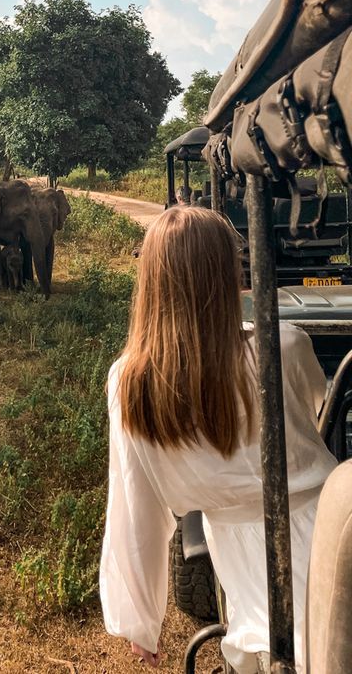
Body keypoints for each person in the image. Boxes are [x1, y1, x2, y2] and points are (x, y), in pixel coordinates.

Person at [100, 206, 336, 672]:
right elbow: (318, 405)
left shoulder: (130, 380)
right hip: (327, 525)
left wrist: (140, 622)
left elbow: (134, 507)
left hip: (237, 547)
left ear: (151, 280)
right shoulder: (284, 346)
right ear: (229, 273)